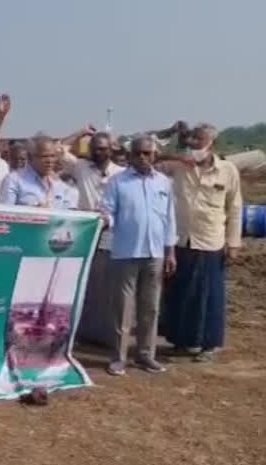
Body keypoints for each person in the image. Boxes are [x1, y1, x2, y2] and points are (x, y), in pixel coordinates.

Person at [160, 123, 243, 363]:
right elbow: (149, 158)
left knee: (210, 296)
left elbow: (235, 208)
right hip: (180, 239)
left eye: (201, 140)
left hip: (210, 240)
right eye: (194, 139)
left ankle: (209, 344)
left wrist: (233, 242)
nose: (196, 144)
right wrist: (175, 154)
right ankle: (181, 342)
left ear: (212, 144)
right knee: (179, 294)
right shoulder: (177, 166)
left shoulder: (227, 171)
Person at [101, 136, 177, 377]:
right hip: (126, 252)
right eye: (138, 153)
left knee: (151, 307)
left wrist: (170, 251)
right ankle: (118, 358)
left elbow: (169, 219)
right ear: (130, 156)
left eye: (147, 153)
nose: (143, 157)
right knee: (123, 308)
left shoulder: (164, 182)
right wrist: (105, 220)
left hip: (155, 253)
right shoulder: (118, 182)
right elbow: (108, 210)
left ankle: (146, 355)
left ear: (154, 156)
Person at [61, 132, 125, 346]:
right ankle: (80, 332)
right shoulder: (80, 167)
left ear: (111, 149)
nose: (99, 152)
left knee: (106, 284)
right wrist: (82, 132)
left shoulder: (121, 173)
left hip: (110, 232)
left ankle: (104, 333)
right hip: (85, 230)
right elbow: (60, 149)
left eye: (104, 148)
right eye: (95, 148)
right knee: (83, 282)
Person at [0, 136, 78, 209]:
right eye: (44, 156)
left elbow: (68, 216)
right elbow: (4, 215)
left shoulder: (60, 185)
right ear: (30, 157)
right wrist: (33, 213)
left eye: (53, 156)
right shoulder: (13, 181)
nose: (50, 161)